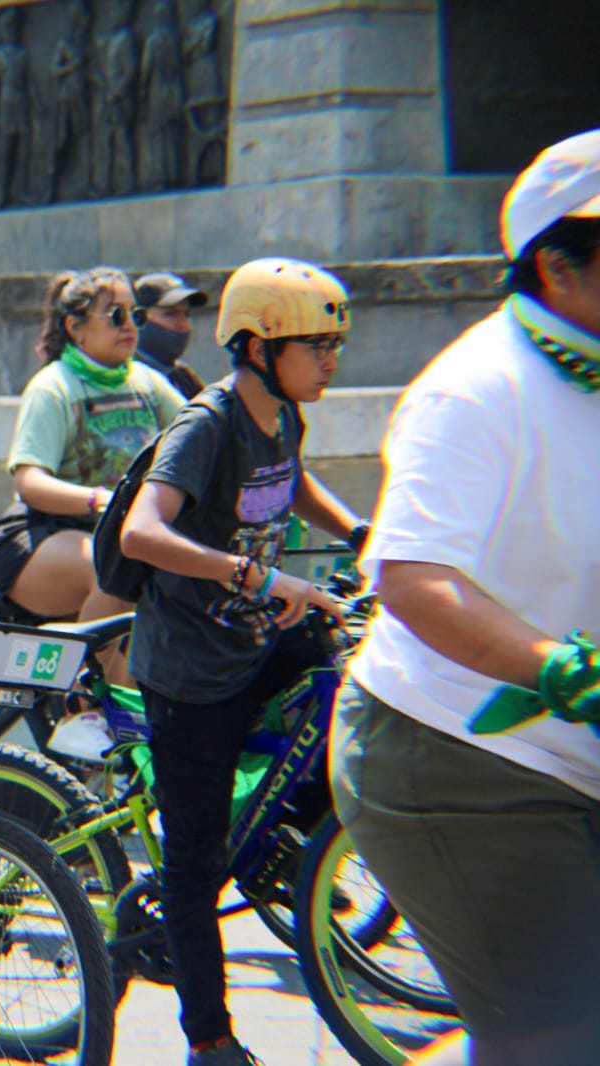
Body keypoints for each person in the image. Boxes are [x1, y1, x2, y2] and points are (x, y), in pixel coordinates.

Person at [331, 129, 600, 1066]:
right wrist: (563, 672)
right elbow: (414, 578)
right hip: (464, 759)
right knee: (558, 1037)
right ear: (557, 270)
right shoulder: (477, 390)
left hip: (578, 755)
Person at [120, 256, 368, 1066]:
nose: (331, 358)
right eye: (316, 343)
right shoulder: (207, 424)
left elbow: (291, 483)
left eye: (335, 342)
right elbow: (142, 533)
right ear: (259, 346)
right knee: (194, 866)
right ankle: (208, 1039)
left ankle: (285, 841)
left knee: (340, 668)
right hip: (191, 666)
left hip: (254, 633)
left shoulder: (284, 415)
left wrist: (361, 534)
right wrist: (256, 573)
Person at [0, 267, 185, 624]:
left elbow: (196, 437)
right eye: (115, 315)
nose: (128, 325)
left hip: (119, 535)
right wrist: (99, 500)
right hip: (41, 536)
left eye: (135, 315)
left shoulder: (149, 383)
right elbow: (29, 482)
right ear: (75, 328)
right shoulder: (54, 387)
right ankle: (86, 678)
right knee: (115, 572)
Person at [135, 270, 210, 399]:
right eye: (170, 314)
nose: (183, 324)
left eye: (187, 314)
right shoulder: (128, 380)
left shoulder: (184, 378)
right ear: (138, 318)